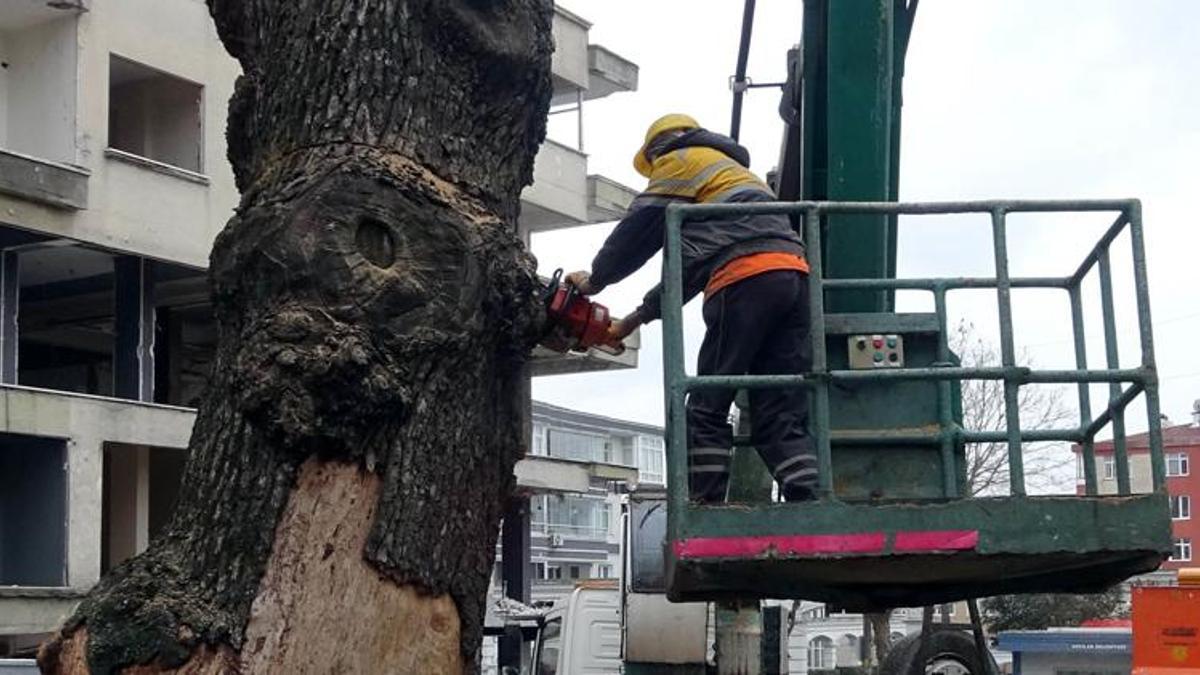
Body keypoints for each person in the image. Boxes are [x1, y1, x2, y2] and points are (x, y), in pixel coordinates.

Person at [565, 113, 816, 503]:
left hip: (742, 280)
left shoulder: (679, 160)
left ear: (657, 149)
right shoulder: (732, 177)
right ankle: (809, 496)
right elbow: (689, 272)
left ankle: (705, 507)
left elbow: (638, 231)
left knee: (706, 406)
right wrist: (631, 321)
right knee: (779, 408)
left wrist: (595, 280)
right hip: (795, 279)